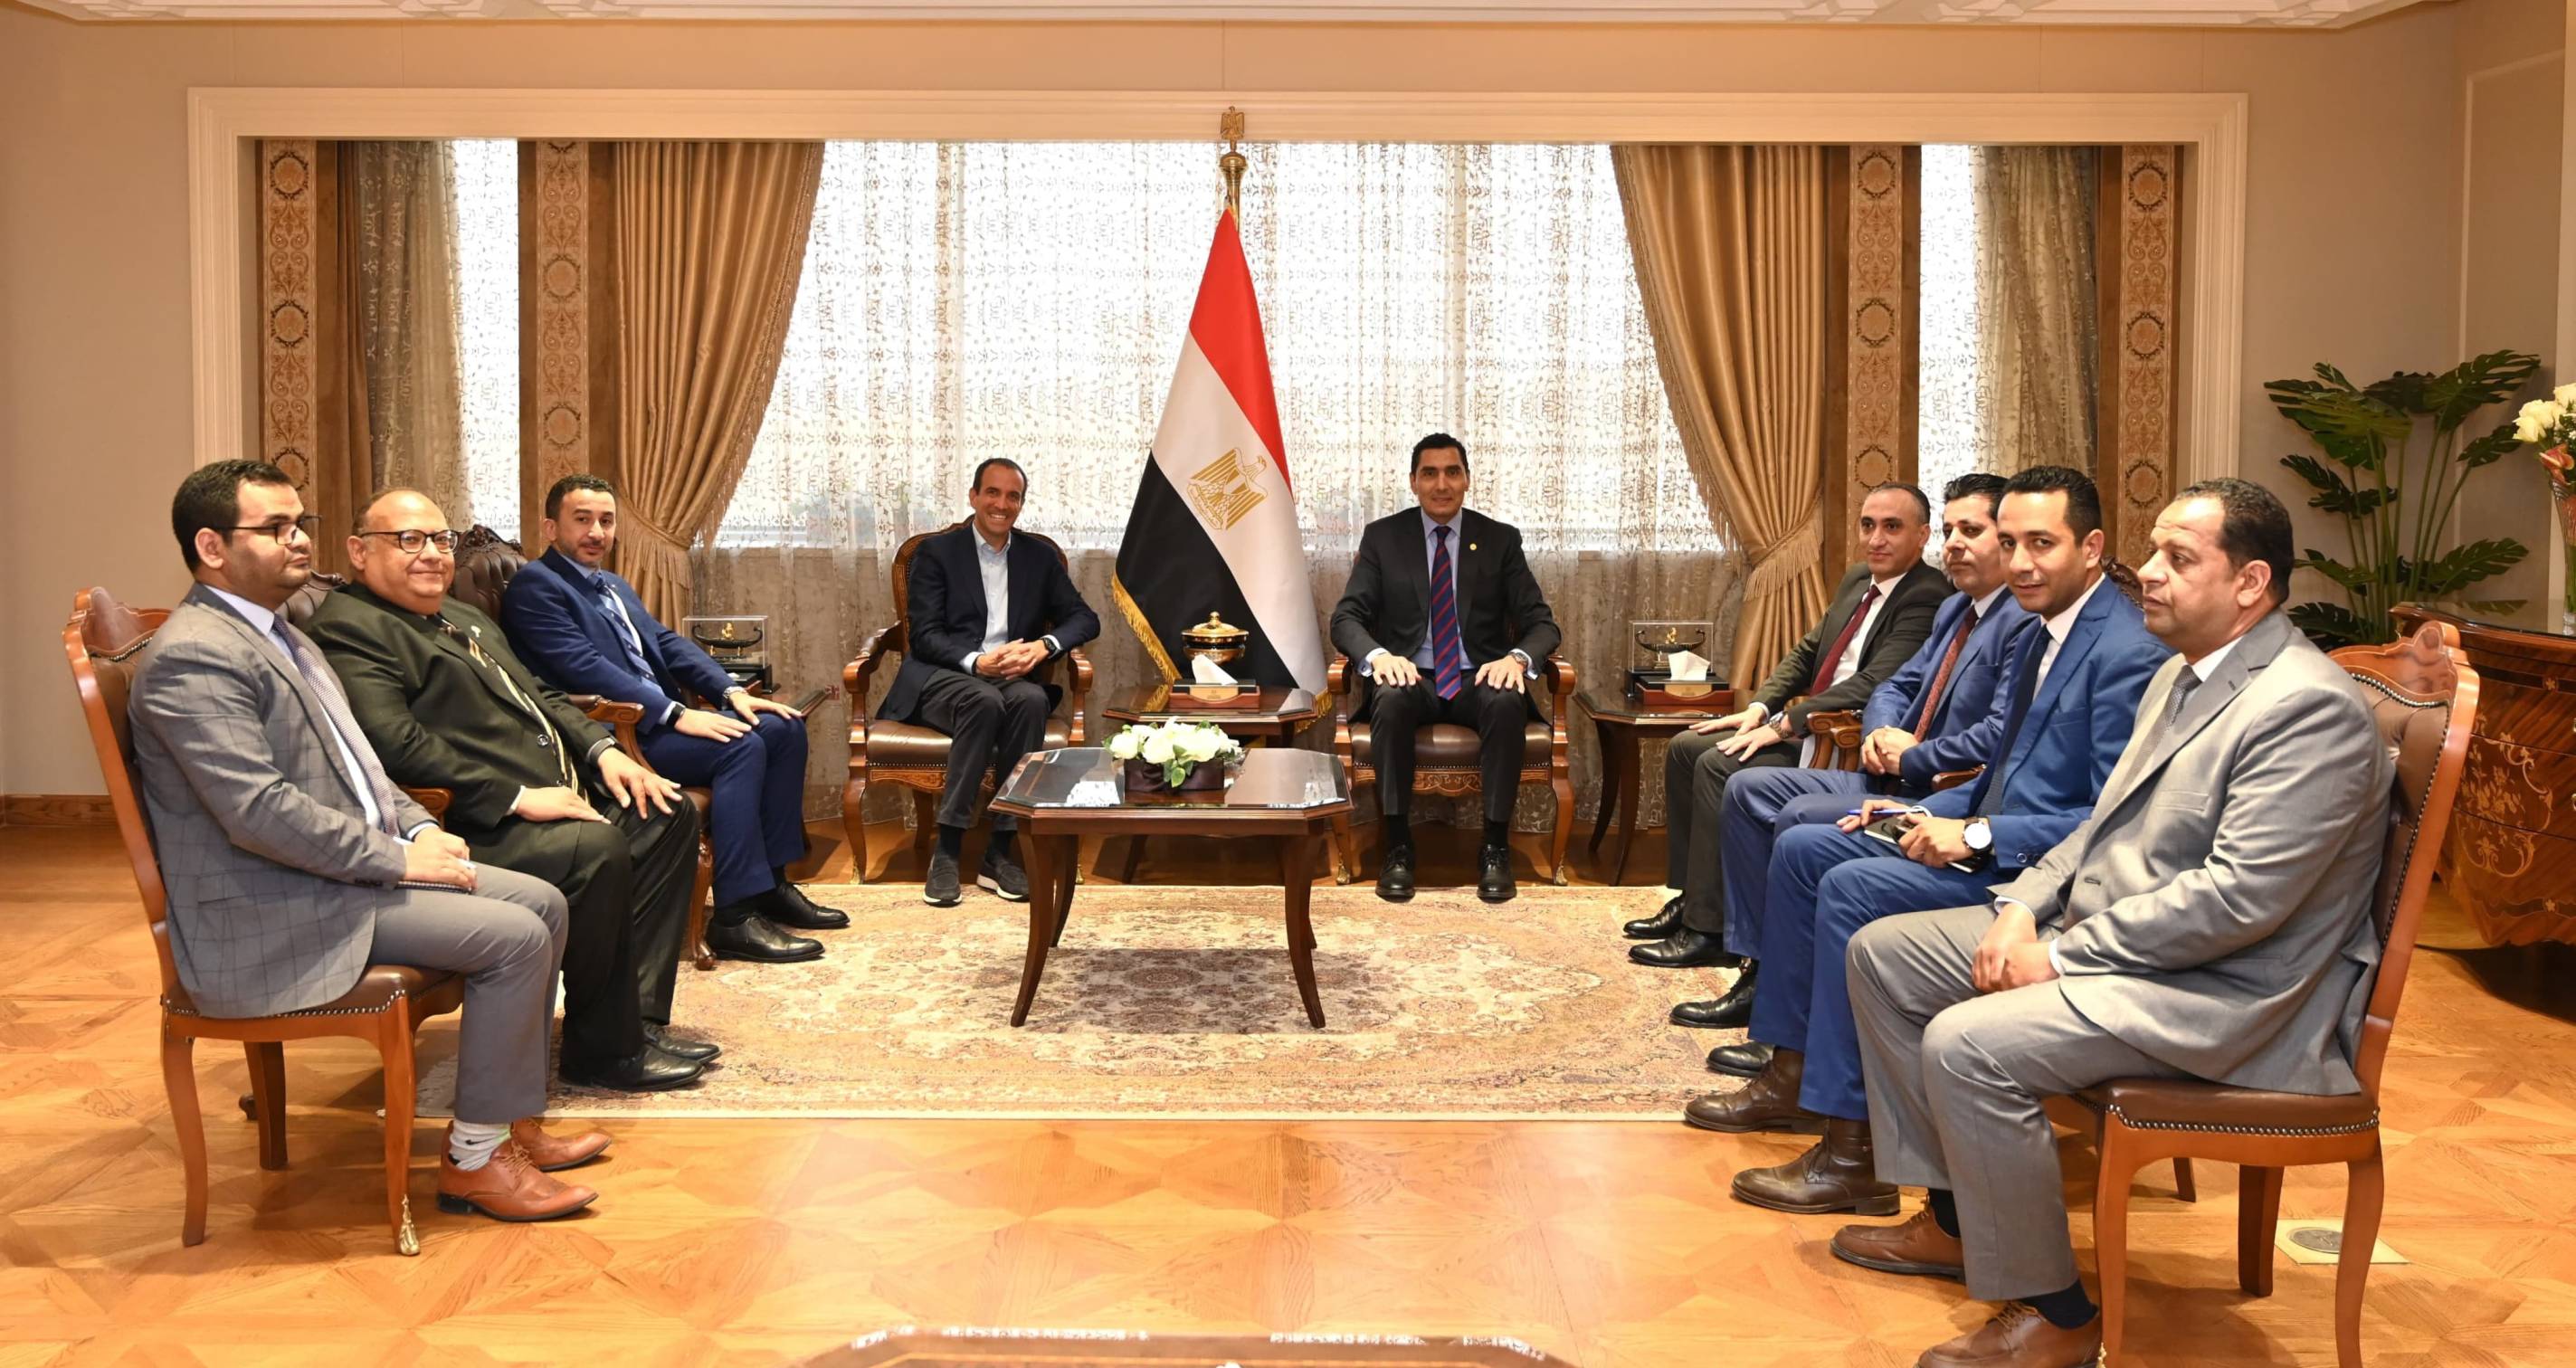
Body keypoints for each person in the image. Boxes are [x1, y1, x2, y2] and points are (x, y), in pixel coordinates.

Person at [1835, 479, 2392, 1368]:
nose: (2151, 574)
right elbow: (2100, 825)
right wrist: (2022, 907)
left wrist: (2061, 955)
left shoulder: (2305, 706)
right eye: (2156, 551)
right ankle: (1958, 1222)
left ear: (2249, 583)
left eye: (2179, 558)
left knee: (1967, 1045)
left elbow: (2238, 901)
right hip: (2136, 946)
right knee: (1884, 955)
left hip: (2228, 995)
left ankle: (2055, 1313)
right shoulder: (2181, 672)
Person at [1687, 465, 2171, 1224]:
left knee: (1846, 885)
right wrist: (1906, 809)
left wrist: (1973, 832)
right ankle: (1793, 1075)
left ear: (2091, 547)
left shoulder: (2124, 650)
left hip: (2035, 878)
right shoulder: (2043, 628)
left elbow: (2111, 822)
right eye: (2011, 543)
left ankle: (1853, 1155)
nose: (2019, 563)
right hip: (1980, 833)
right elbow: (1998, 773)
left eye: (2040, 544)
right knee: (1810, 848)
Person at [128, 461, 606, 1222]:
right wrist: (399, 860)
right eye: (275, 528)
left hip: (326, 876)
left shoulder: (283, 634)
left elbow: (359, 767)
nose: (297, 541)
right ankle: (474, 1164)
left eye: (299, 524)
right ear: (211, 547)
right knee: (514, 937)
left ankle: (505, 1126)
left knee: (543, 901)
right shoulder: (194, 655)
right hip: (269, 908)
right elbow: (257, 811)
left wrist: (421, 828)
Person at [307, 489, 709, 1094]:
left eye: (440, 539)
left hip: (558, 793)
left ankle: (637, 1023)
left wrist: (604, 753)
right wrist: (517, 796)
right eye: (408, 540)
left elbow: (542, 695)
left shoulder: (460, 615)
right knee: (595, 852)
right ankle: (603, 1053)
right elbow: (397, 746)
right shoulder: (349, 628)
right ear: (359, 553)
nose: (431, 554)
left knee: (665, 813)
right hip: (473, 822)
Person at [1670, 474, 2034, 1061]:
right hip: (1883, 765)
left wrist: (1912, 755)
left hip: (1938, 790)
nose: (1956, 545)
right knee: (1747, 790)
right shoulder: (1954, 609)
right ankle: (1750, 959)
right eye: (1951, 531)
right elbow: (1894, 685)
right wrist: (1881, 734)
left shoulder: (2019, 621)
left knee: (1791, 816)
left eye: (1971, 531)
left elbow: (1997, 733)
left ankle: (1775, 1001)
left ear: (2008, 540)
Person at [500, 473, 832, 964]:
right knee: (741, 747)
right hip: (613, 734)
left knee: (784, 728)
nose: (597, 532)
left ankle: (771, 885)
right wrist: (676, 714)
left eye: (606, 521)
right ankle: (734, 916)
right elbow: (583, 668)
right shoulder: (537, 586)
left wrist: (729, 691)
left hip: (656, 722)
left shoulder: (612, 584)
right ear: (551, 527)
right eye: (582, 520)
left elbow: (666, 643)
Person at [1627, 482, 1946, 968]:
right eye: (1868, 525)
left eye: (1892, 527)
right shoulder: (1859, 578)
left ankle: (1710, 930)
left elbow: (1874, 683)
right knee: (1686, 746)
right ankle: (1693, 896)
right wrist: (1760, 707)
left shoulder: (1927, 596)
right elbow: (1807, 652)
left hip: (1842, 737)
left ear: (1922, 535)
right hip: (1808, 725)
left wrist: (1784, 725)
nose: (1876, 539)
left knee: (1718, 764)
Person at [1328, 433, 1561, 905]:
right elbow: (1346, 618)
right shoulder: (1383, 538)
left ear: (1467, 480)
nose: (1441, 484)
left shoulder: (1499, 540)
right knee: (1390, 698)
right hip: (1412, 676)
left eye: (1452, 472)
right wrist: (1379, 657)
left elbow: (1542, 623)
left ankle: (1495, 848)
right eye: (1430, 473)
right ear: (1413, 481)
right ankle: (1398, 846)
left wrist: (1516, 660)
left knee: (1507, 699)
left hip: (1478, 677)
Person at [876, 458, 1100, 908]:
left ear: (1021, 504)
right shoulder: (936, 553)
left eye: (1013, 496)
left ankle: (999, 851)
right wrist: (977, 662)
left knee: (1032, 700)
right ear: (974, 496)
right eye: (993, 493)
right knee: (983, 700)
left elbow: (1084, 619)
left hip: (1011, 680)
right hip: (944, 677)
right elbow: (925, 635)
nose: (1002, 504)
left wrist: (1044, 647)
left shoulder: (1038, 558)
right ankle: (948, 848)